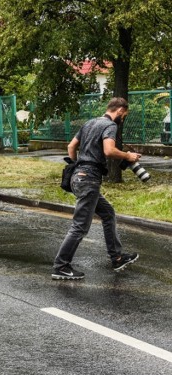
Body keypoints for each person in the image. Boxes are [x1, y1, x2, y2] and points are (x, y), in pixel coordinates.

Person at [52, 97, 141, 280]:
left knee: (108, 213)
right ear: (119, 111)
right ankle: (60, 266)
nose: (122, 119)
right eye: (123, 116)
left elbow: (71, 146)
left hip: (80, 177)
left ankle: (116, 257)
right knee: (80, 226)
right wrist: (128, 156)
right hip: (89, 180)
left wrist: (76, 165)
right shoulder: (110, 126)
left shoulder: (90, 123)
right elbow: (109, 151)